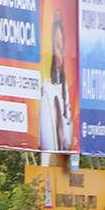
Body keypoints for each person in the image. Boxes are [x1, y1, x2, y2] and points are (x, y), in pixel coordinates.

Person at [38, 9, 72, 151]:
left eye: (63, 49)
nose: (60, 55)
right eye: (57, 47)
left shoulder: (65, 91)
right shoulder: (45, 90)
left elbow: (69, 143)